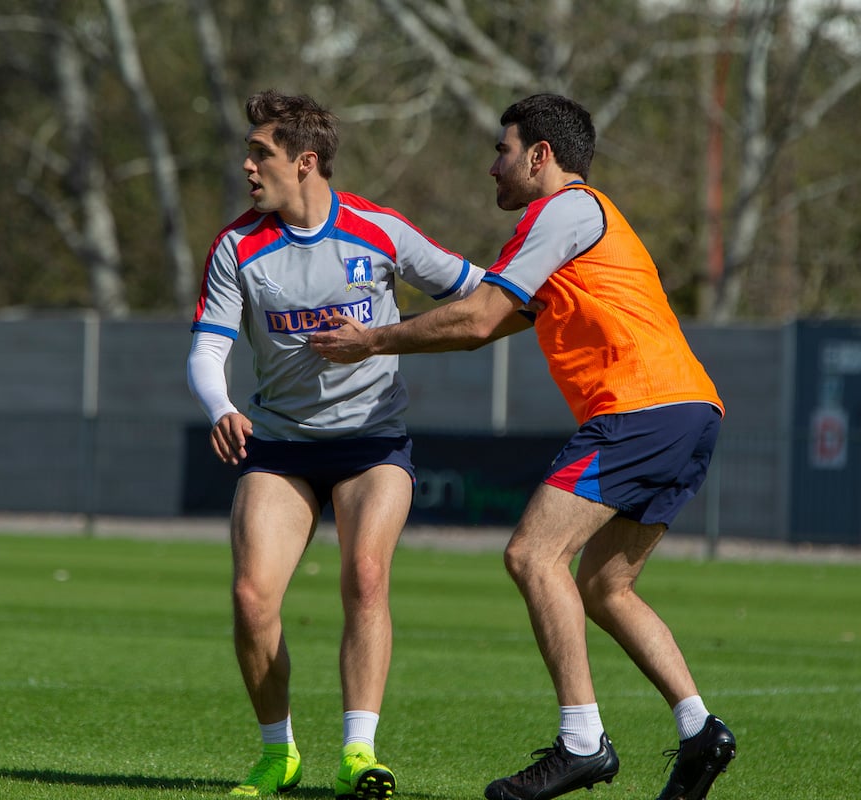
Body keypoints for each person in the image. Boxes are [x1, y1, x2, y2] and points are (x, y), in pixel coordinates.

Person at [309, 93, 737, 800]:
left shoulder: (562, 210)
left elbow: (479, 319)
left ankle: (583, 742)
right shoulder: (577, 224)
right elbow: (504, 317)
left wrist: (372, 340)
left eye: (502, 150)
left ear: (541, 156)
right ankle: (699, 730)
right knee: (605, 585)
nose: (491, 167)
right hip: (690, 410)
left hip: (639, 407)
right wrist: (396, 330)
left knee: (531, 554)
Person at [187, 89, 489, 800]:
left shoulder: (379, 231)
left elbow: (480, 294)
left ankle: (359, 751)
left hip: (372, 444)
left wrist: (552, 296)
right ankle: (278, 754)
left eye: (261, 153)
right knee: (252, 595)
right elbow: (207, 349)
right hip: (282, 447)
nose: (248, 165)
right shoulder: (237, 246)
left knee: (365, 576)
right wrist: (222, 405)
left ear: (306, 161)